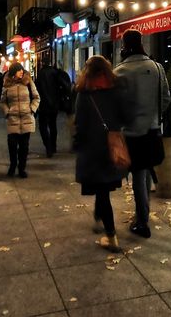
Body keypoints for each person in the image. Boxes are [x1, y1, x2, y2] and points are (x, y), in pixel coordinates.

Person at [114, 29, 169, 239]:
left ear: (125, 46)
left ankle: (142, 221)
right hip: (152, 129)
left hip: (130, 132)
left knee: (138, 175)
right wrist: (153, 115)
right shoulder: (156, 68)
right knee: (143, 172)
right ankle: (142, 214)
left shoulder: (119, 71)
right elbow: (166, 99)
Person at [74, 56, 127, 252]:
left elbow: (79, 122)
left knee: (102, 192)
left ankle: (111, 235)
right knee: (103, 188)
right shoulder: (116, 88)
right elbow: (124, 116)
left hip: (92, 148)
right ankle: (99, 216)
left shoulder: (84, 92)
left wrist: (77, 143)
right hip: (111, 146)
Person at [0, 62, 39, 178]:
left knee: (24, 146)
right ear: (13, 72)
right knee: (12, 145)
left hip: (26, 117)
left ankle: (22, 168)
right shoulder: (7, 85)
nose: (22, 72)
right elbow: (3, 101)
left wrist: (32, 109)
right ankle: (13, 165)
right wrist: (7, 112)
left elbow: (36, 97)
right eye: (19, 70)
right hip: (13, 118)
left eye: (22, 70)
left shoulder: (28, 83)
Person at [36, 61, 71, 157]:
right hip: (54, 103)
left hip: (43, 104)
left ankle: (48, 147)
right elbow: (64, 85)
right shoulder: (55, 72)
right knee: (53, 125)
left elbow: (37, 89)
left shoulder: (40, 74)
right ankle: (53, 146)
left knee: (43, 126)